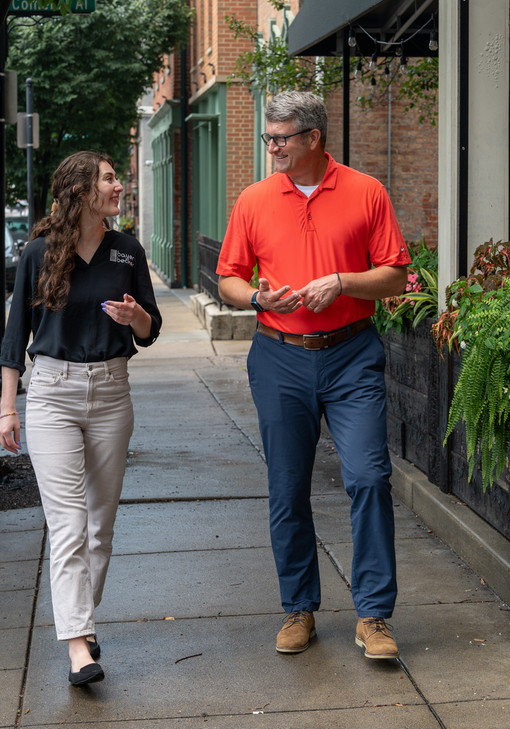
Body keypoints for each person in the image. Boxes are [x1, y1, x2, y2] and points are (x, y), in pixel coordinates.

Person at [216, 91, 411, 660]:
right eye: (268, 137)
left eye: (281, 138)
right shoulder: (253, 200)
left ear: (313, 139)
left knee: (369, 477)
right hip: (279, 355)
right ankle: (298, 608)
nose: (272, 147)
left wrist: (344, 282)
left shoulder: (365, 191)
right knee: (287, 487)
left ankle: (373, 615)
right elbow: (227, 278)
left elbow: (397, 276)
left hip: (352, 355)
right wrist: (257, 296)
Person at [0, 150, 162, 687]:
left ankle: (80, 623)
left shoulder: (126, 251)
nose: (119, 185)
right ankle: (78, 650)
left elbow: (150, 329)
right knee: (66, 525)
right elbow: (15, 330)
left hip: (112, 393)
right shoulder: (40, 253)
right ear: (84, 190)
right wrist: (7, 408)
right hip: (51, 396)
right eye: (110, 178)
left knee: (99, 527)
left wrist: (138, 318)